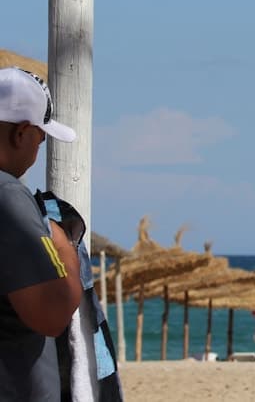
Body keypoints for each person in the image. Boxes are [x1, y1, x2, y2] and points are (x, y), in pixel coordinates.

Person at [0, 66, 121, 400]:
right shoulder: (8, 196)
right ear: (21, 133)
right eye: (40, 138)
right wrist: (63, 243)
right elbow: (51, 314)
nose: (39, 148)